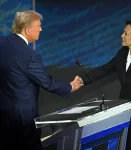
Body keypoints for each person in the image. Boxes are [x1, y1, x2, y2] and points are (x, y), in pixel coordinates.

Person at [0, 10, 83, 150]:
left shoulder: (2, 43)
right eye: (38, 26)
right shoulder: (30, 55)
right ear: (27, 30)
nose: (41, 29)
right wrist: (69, 87)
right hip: (22, 121)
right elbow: (47, 82)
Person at [83, 21, 131, 150]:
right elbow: (104, 69)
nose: (121, 35)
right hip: (124, 111)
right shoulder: (122, 53)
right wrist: (82, 79)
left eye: (125, 33)